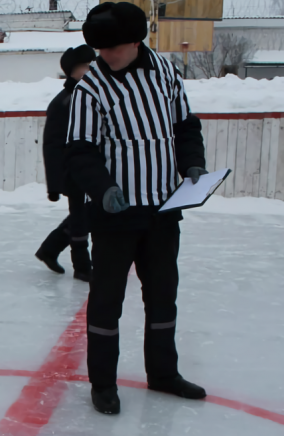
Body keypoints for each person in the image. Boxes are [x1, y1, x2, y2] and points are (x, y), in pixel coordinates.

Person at [65, 2, 209, 414]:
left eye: (114, 47)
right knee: (107, 300)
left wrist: (191, 161)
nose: (106, 55)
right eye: (99, 49)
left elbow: (185, 125)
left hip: (163, 210)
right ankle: (103, 383)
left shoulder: (164, 71)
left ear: (135, 40)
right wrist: (104, 188)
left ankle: (163, 373)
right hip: (115, 215)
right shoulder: (90, 88)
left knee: (163, 296)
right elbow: (79, 151)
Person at [36, 45, 97, 281]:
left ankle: (49, 249)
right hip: (73, 171)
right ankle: (82, 267)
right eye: (86, 67)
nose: (91, 71)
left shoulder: (93, 96)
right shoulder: (64, 102)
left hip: (91, 168)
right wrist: (54, 185)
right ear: (73, 71)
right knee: (82, 217)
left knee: (87, 214)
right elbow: (51, 145)